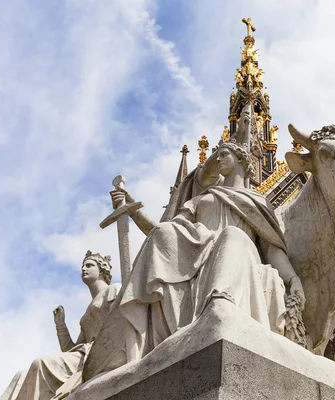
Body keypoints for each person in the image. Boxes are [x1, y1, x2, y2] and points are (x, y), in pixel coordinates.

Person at [82, 122, 306, 379]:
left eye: (224, 154)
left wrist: (292, 278)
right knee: (166, 233)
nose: (217, 159)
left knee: (231, 236)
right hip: (199, 254)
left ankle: (220, 304)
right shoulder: (201, 199)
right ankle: (156, 335)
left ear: (242, 161)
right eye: (216, 154)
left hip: (241, 258)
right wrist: (133, 209)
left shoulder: (258, 202)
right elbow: (161, 230)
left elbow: (273, 249)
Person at [0, 252, 120, 400]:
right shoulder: (88, 310)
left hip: (100, 352)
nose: (83, 268)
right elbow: (71, 350)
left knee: (40, 364)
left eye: (89, 265)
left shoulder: (114, 290)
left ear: (102, 270)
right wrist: (61, 325)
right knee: (21, 376)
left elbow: (119, 323)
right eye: (83, 265)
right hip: (84, 355)